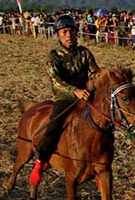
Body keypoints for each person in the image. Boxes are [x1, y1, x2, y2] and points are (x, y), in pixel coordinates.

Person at [29, 14, 100, 185]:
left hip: (85, 96)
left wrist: (102, 78)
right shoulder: (54, 56)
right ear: (58, 35)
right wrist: (74, 90)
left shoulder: (84, 53)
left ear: (76, 33)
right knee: (53, 126)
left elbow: (94, 72)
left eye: (71, 31)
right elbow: (55, 79)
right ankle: (40, 160)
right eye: (64, 32)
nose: (68, 35)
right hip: (64, 98)